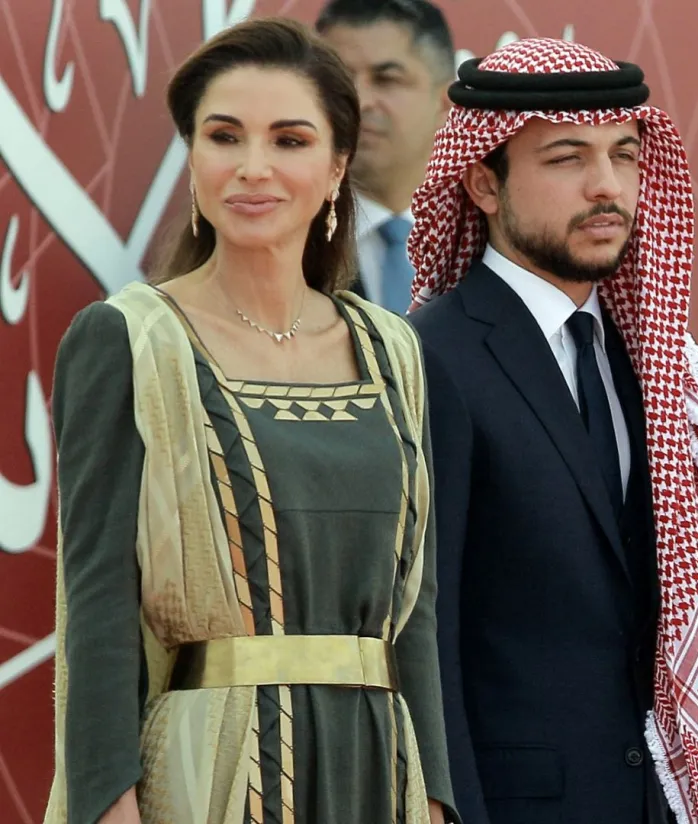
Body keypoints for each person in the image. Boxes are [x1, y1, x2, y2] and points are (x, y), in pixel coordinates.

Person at [43, 18, 454, 824]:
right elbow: (96, 604)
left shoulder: (391, 349)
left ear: (338, 168)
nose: (252, 168)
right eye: (223, 136)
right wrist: (106, 805)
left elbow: (419, 611)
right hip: (208, 769)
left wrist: (434, 797)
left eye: (290, 140)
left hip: (379, 765)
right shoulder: (130, 338)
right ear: (192, 158)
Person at [405, 37, 698, 824]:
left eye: (624, 156)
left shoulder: (652, 364)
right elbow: (427, 635)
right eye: (566, 158)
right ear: (484, 183)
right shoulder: (434, 357)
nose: (607, 186)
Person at [316, 0, 454, 312]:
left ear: (445, 105)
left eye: (387, 79)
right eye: (338, 78)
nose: (359, 100)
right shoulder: (283, 244)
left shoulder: (488, 245)